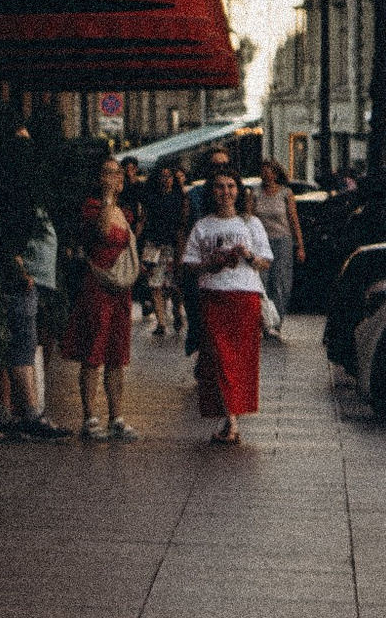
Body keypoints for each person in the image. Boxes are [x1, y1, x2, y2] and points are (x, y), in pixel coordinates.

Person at [183, 165, 272, 444]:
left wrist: (248, 256)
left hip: (245, 296)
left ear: (239, 190)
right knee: (218, 358)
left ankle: (229, 417)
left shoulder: (251, 223)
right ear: (211, 191)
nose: (226, 192)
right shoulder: (203, 225)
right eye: (220, 186)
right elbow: (190, 264)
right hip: (214, 296)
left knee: (241, 361)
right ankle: (231, 419)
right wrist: (213, 262)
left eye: (231, 186)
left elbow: (265, 261)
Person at [65, 153, 139, 437]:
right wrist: (108, 198)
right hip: (97, 285)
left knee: (117, 354)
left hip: (120, 287)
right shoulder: (93, 207)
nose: (114, 178)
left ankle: (116, 416)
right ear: (98, 178)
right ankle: (89, 417)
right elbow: (104, 232)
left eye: (118, 174)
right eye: (108, 173)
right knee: (93, 350)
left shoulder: (127, 211)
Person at [0, 193, 63, 437]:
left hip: (29, 280)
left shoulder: (28, 197)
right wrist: (19, 271)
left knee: (13, 343)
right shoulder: (20, 198)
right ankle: (30, 413)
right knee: (22, 344)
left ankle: (4, 413)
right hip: (23, 281)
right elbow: (8, 238)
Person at [140, 159, 189, 342]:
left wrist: (181, 248)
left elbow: (183, 224)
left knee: (174, 285)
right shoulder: (151, 198)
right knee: (155, 283)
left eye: (168, 176)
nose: (165, 180)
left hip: (172, 245)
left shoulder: (180, 198)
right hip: (153, 244)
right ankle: (161, 321)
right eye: (162, 176)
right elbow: (144, 220)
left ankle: (176, 311)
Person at [249, 160, 300, 329]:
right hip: (261, 242)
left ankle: (276, 322)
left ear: (276, 174)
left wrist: (299, 244)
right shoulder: (255, 193)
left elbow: (293, 220)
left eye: (269, 172)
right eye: (263, 172)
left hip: (282, 241)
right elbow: (248, 218)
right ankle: (263, 320)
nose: (266, 175)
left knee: (281, 281)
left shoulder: (286, 193)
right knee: (262, 282)